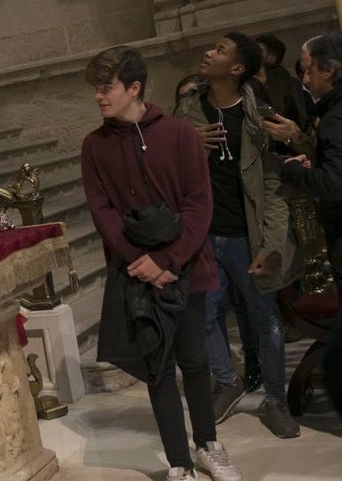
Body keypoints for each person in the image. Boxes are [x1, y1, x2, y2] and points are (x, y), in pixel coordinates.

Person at [81, 46, 241, 481]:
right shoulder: (94, 146)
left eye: (106, 87)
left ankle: (208, 444)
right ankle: (179, 464)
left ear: (134, 88)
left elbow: (198, 205)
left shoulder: (180, 134)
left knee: (194, 360)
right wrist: (142, 261)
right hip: (137, 275)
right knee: (159, 369)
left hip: (186, 265)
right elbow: (104, 213)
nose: (98, 96)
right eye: (96, 88)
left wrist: (169, 259)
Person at [175, 33, 301, 438]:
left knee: (266, 318)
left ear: (237, 69)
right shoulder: (189, 108)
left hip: (247, 235)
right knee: (206, 315)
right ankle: (227, 381)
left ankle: (275, 400)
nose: (207, 52)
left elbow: (273, 187)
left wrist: (272, 246)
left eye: (219, 50)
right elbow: (163, 163)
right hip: (205, 236)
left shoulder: (257, 115)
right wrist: (187, 142)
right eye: (210, 46)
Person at [276, 32, 342, 287]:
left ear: (327, 70)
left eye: (308, 70)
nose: (304, 79)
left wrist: (293, 170)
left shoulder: (335, 117)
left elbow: (334, 182)